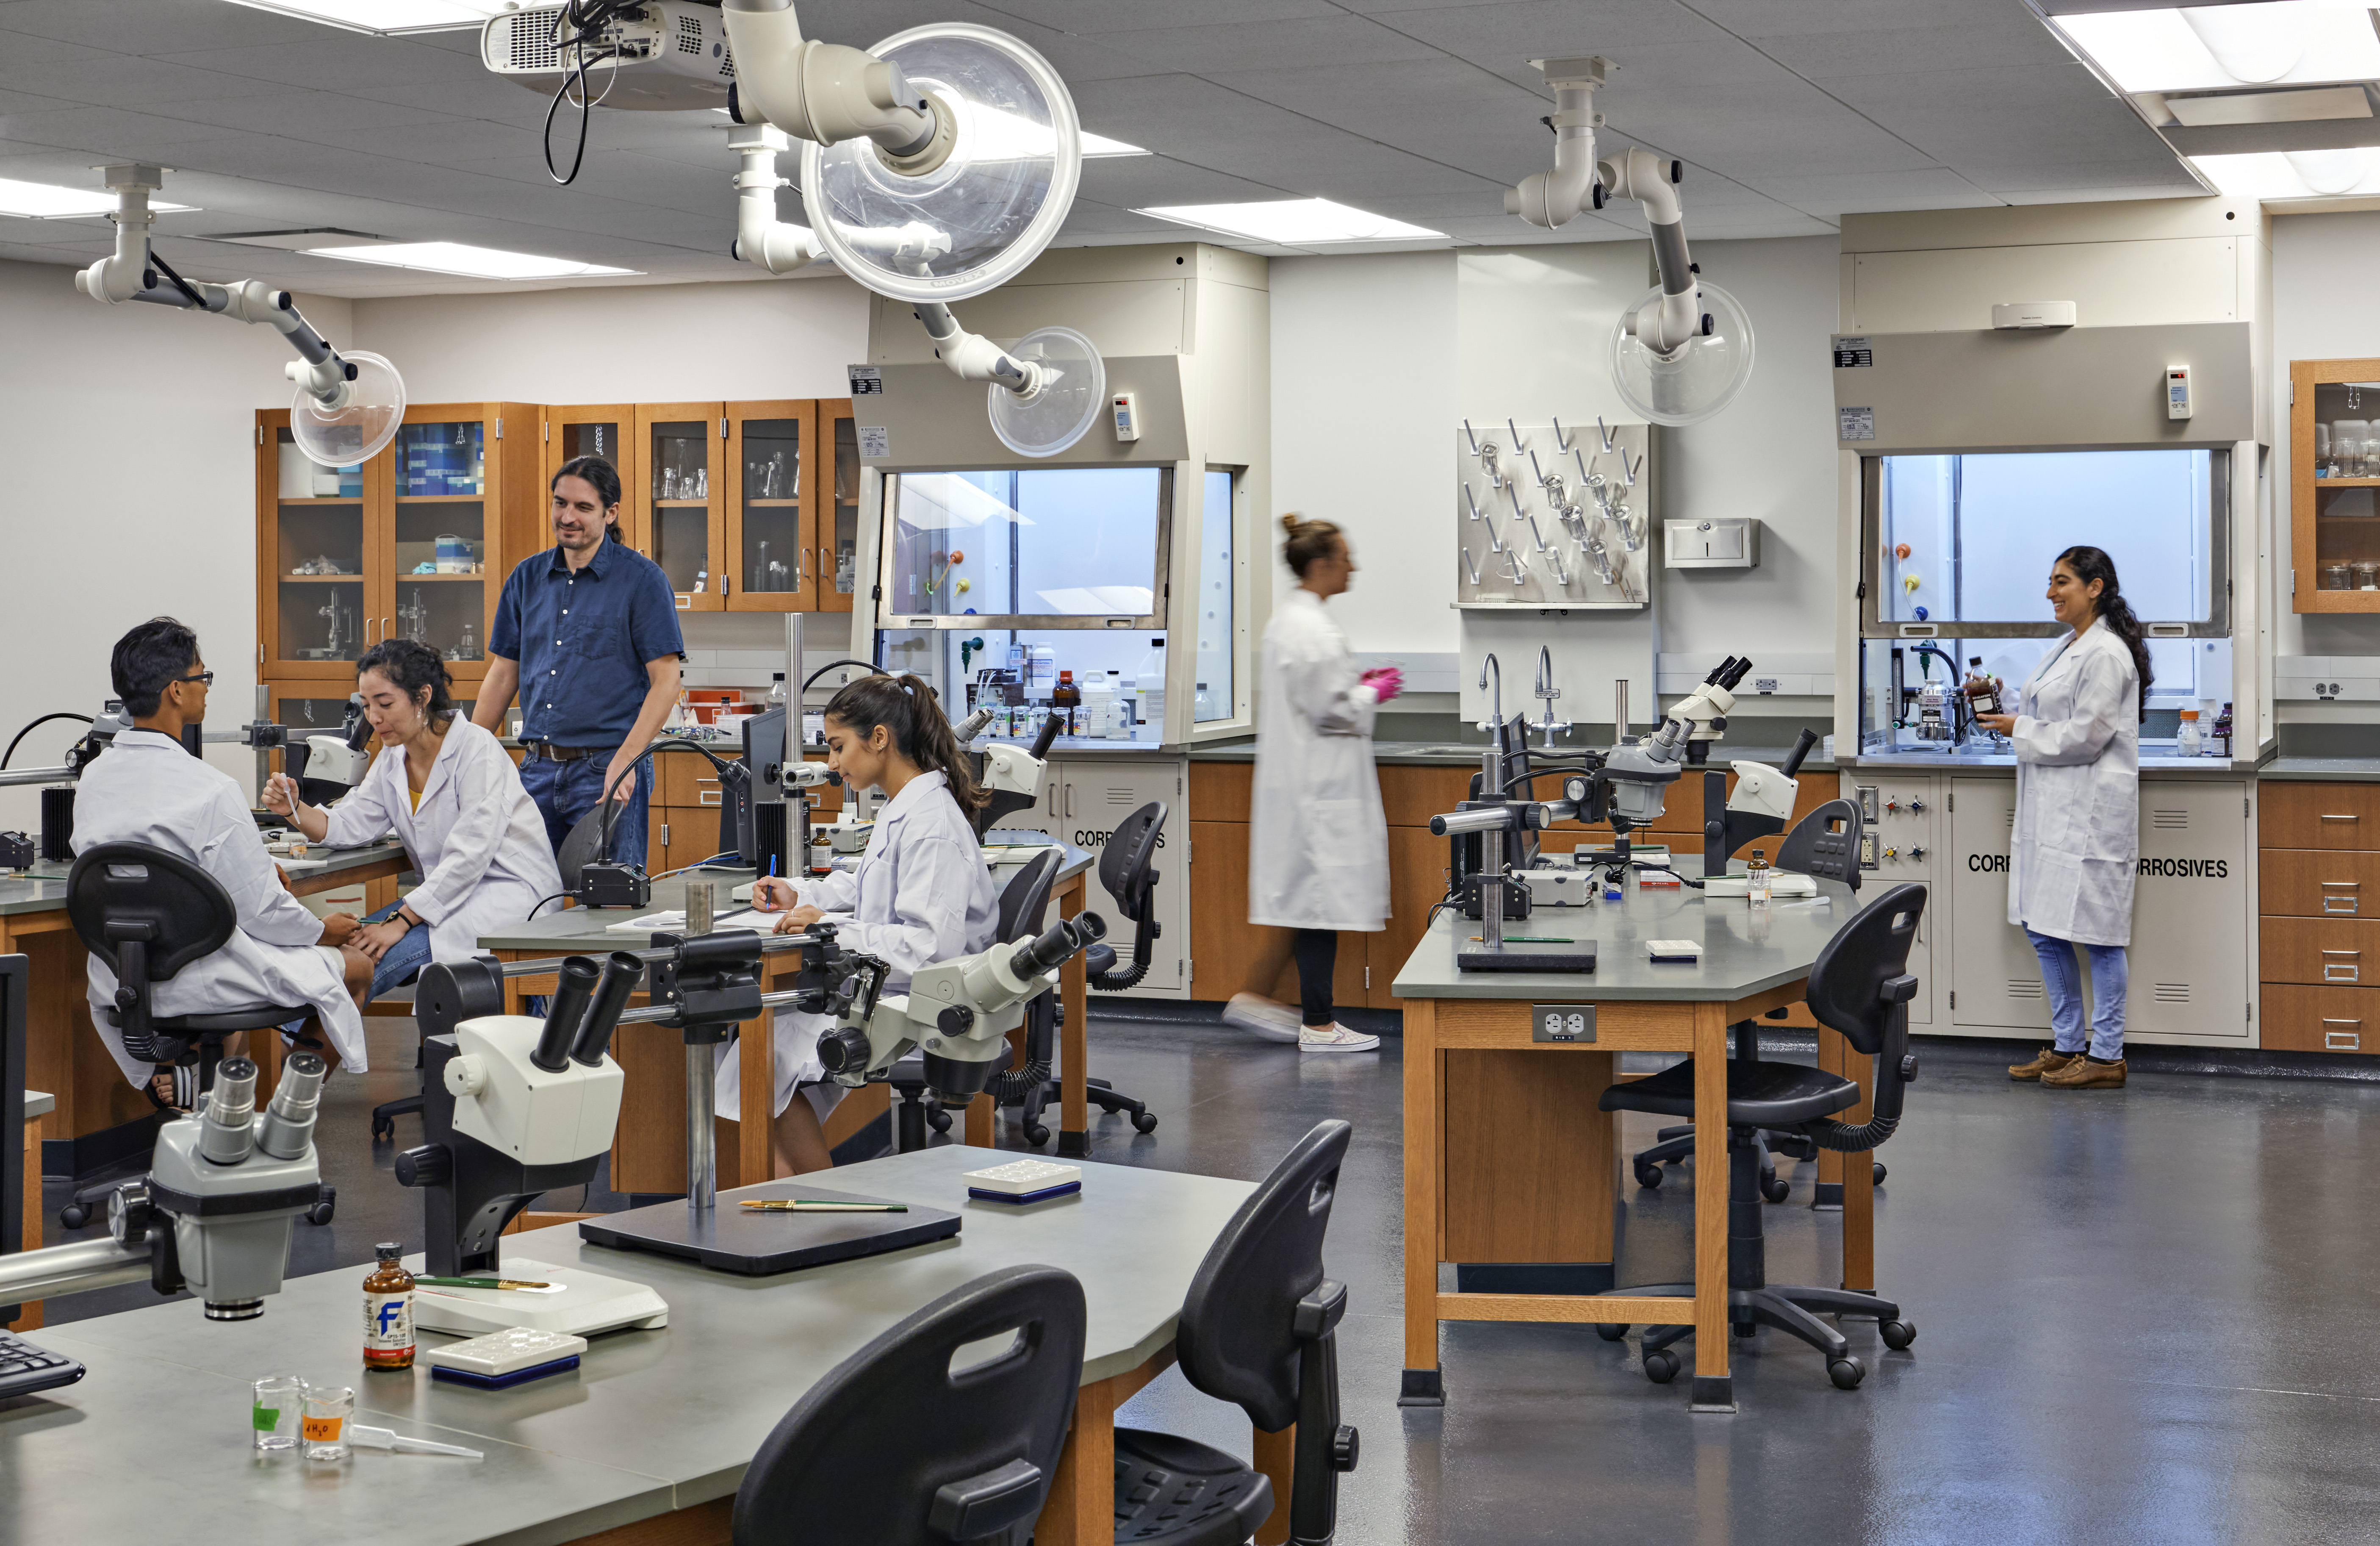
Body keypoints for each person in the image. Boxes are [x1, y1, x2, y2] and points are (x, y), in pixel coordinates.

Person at [75, 618, 371, 1106]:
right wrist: (325, 930)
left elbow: (145, 871)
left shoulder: (94, 779)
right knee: (356, 967)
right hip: (200, 979)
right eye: (202, 677)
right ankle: (282, 1115)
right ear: (175, 691)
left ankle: (221, 1095)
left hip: (123, 982)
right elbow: (263, 911)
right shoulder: (211, 788)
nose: (206, 689)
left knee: (246, 956)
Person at [732, 674, 1000, 1174]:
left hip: (925, 1001)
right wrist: (803, 894)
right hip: (899, 985)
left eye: (838, 746)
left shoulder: (931, 826)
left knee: (761, 1062)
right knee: (759, 1059)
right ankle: (798, 1209)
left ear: (880, 739)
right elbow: (868, 888)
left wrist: (832, 932)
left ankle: (822, 1205)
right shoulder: (904, 806)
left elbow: (929, 948)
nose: (831, 764)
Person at [263, 638, 564, 1007]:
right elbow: (351, 823)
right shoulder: (394, 758)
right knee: (339, 959)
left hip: (505, 896)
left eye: (385, 704)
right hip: (440, 901)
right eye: (367, 705)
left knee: (359, 964)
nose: (374, 717)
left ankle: (296, 1053)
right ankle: (298, 1051)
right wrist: (295, 808)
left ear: (423, 696)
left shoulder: (477, 751)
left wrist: (401, 921)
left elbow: (469, 856)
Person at [1222, 514, 1401, 1054]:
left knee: (1307, 906)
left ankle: (1266, 1001)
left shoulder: (1292, 621)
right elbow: (1330, 709)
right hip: (1318, 792)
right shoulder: (1314, 628)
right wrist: (1372, 693)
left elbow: (1319, 695)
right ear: (1322, 564)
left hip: (1305, 785)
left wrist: (1358, 687)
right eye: (1346, 558)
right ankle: (1317, 1024)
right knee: (1317, 905)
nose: (1354, 566)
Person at [1978, 545, 2150, 1091]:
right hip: (2051, 810)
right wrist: (2006, 707)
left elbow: (2086, 736)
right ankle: (2068, 1044)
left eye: (2062, 582)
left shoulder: (2107, 653)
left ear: (2094, 587)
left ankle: (2107, 1056)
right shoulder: (2067, 646)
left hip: (2090, 813)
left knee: (2099, 936)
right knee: (2041, 925)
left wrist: (2016, 731)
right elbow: (2052, 712)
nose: (2051, 591)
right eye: (2050, 582)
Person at [472, 455, 684, 867]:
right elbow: (502, 675)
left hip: (607, 768)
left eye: (583, 507)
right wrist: (465, 755)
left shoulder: (643, 581)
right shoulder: (525, 578)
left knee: (607, 905)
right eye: (560, 503)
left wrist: (626, 759)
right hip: (536, 768)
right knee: (524, 899)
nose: (568, 516)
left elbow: (667, 681)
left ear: (611, 512)